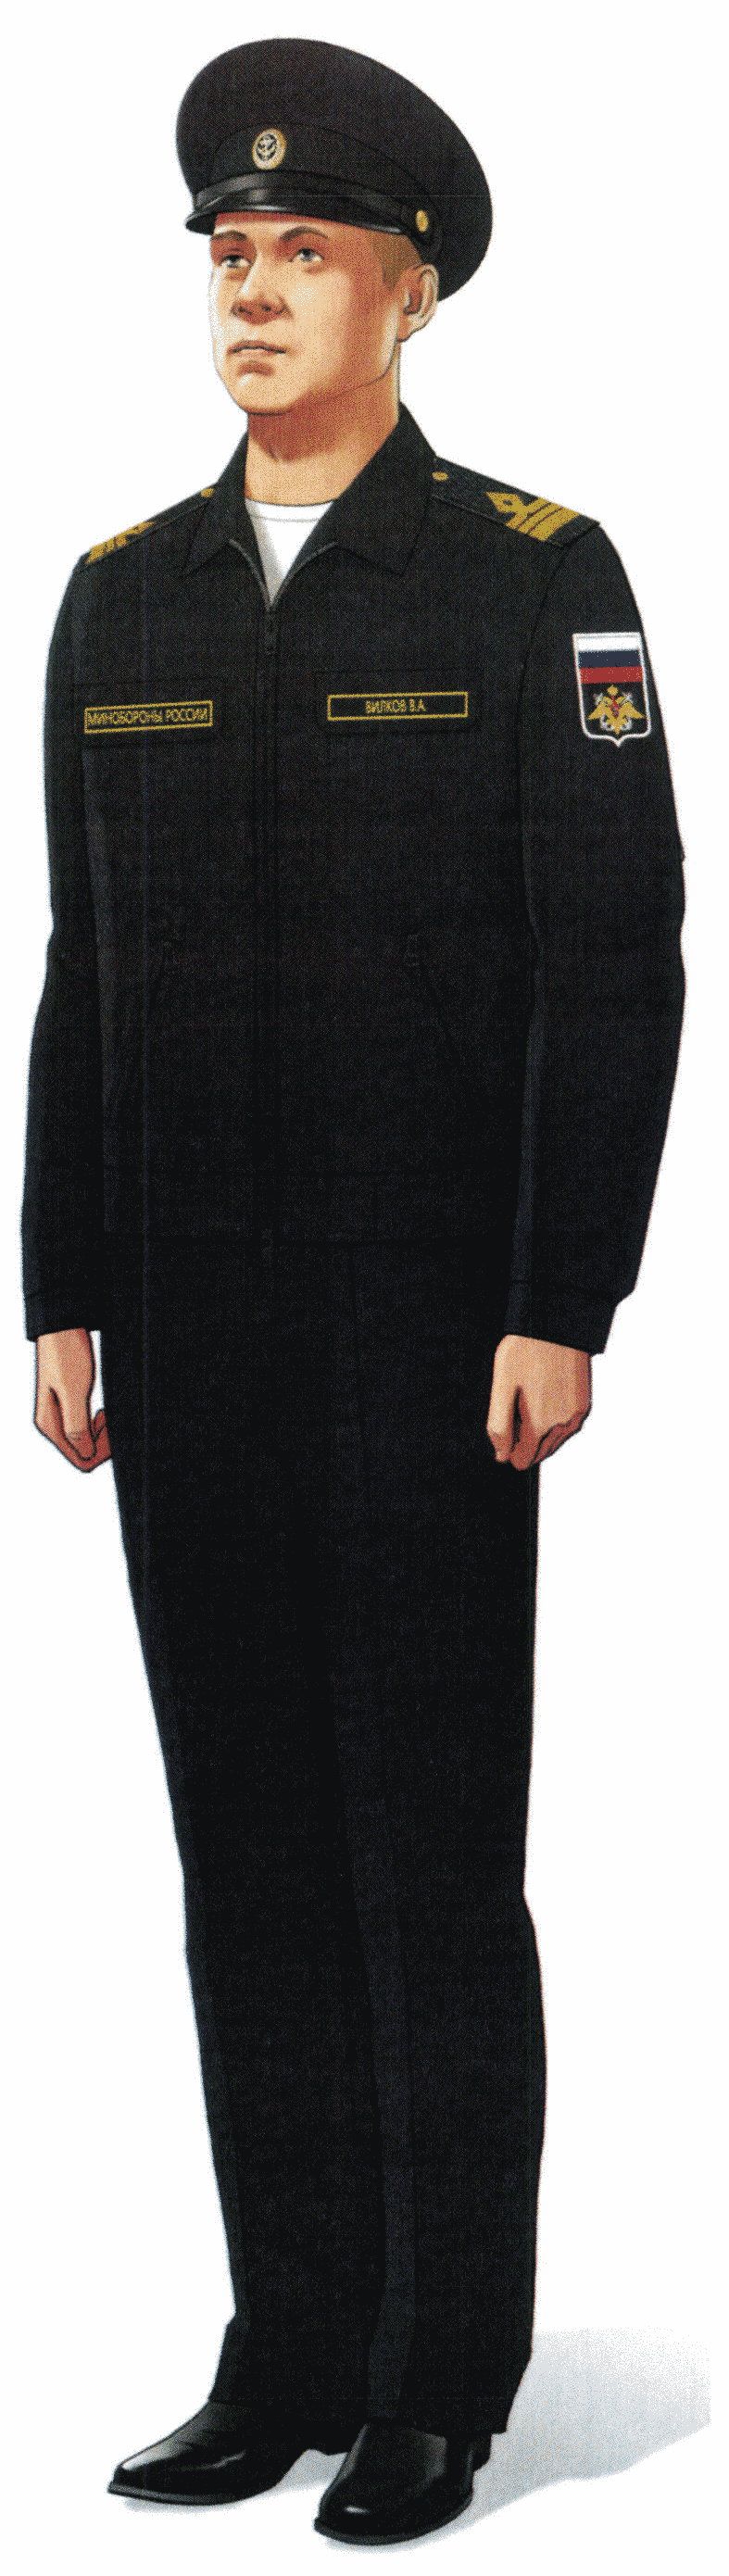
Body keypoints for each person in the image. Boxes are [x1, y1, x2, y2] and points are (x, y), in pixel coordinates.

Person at [22, 35, 685, 2548]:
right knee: (249, 1852)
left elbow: (612, 964)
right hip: (190, 1337)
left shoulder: (532, 575)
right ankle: (283, 2343)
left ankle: (440, 2372)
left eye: (305, 251)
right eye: (228, 249)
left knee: (421, 1850)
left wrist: (562, 1291)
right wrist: (63, 1280)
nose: (252, 290)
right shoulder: (125, 595)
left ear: (412, 289)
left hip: (429, 1341)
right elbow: (86, 968)